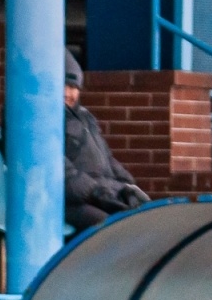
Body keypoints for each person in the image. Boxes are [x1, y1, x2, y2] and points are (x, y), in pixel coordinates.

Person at [63, 49, 148, 231]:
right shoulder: (48, 121)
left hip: (97, 194)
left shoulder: (86, 117)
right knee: (114, 228)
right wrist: (96, 192)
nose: (68, 93)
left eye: (74, 87)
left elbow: (107, 158)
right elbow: (63, 171)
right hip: (72, 201)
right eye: (64, 85)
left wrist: (127, 185)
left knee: (144, 219)